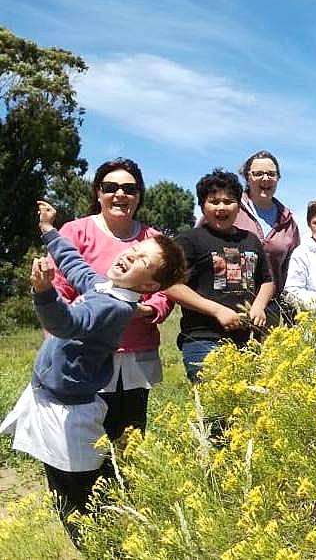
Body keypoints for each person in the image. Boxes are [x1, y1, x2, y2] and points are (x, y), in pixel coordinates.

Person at [0, 201, 185, 544]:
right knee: (75, 482)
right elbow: (75, 266)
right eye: (135, 249)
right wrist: (49, 231)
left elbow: (67, 323)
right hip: (58, 396)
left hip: (65, 408)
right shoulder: (106, 288)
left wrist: (43, 293)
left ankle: (101, 545)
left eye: (143, 261)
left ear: (148, 287)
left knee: (72, 490)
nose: (131, 256)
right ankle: (108, 533)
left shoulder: (114, 307)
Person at [51, 158, 174, 442]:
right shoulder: (75, 230)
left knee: (129, 436)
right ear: (98, 192)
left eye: (130, 189)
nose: (120, 195)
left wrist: (143, 310)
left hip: (136, 355)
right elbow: (59, 287)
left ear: (139, 196)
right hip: (85, 353)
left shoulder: (152, 238)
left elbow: (166, 291)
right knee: (85, 437)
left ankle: (126, 488)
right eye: (111, 187)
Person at [168, 170, 274, 382]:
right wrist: (217, 310)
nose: (221, 207)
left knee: (250, 409)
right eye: (214, 201)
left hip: (249, 341)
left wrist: (259, 306)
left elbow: (267, 281)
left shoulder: (251, 240)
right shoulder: (190, 240)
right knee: (216, 410)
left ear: (239, 206)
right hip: (204, 340)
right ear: (202, 206)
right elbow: (171, 285)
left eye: (228, 201)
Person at [234, 150, 300, 297]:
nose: (265, 178)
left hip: (271, 307)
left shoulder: (289, 221)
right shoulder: (229, 210)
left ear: (278, 178)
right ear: (247, 177)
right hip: (229, 306)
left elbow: (294, 269)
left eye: (271, 174)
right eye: (258, 173)